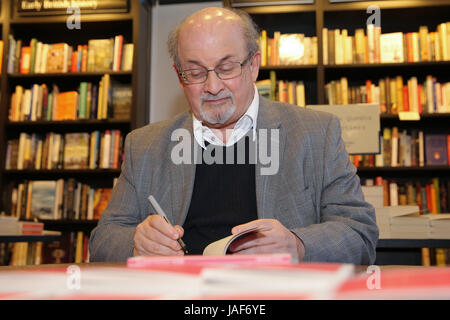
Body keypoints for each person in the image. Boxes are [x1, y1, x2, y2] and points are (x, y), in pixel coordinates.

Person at [89, 7, 378, 264]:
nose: (213, 86)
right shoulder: (145, 145)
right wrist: (137, 244)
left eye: (226, 68)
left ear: (253, 65)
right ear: (180, 76)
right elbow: (103, 240)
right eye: (196, 72)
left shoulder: (317, 133)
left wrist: (299, 245)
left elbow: (359, 232)